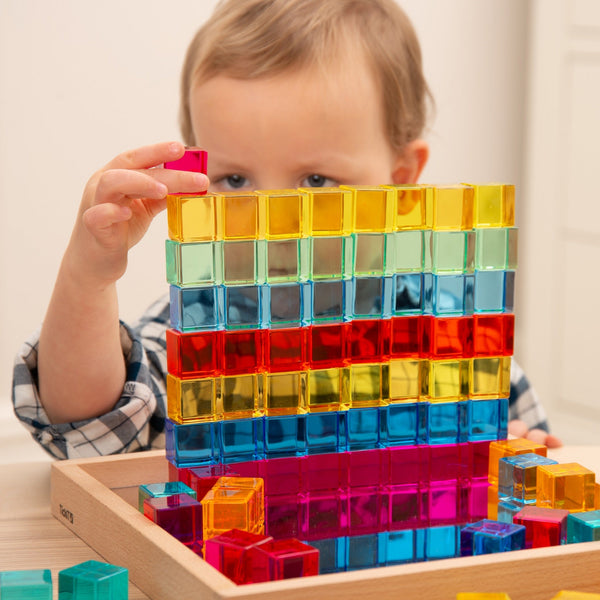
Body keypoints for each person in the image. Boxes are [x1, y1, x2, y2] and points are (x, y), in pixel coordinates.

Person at [12, 0, 560, 460]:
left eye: (316, 181)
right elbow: (83, 429)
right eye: (234, 179)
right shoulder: (192, 329)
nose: (272, 224)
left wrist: (513, 456)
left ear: (400, 182)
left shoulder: (456, 335)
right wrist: (88, 277)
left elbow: (533, 466)